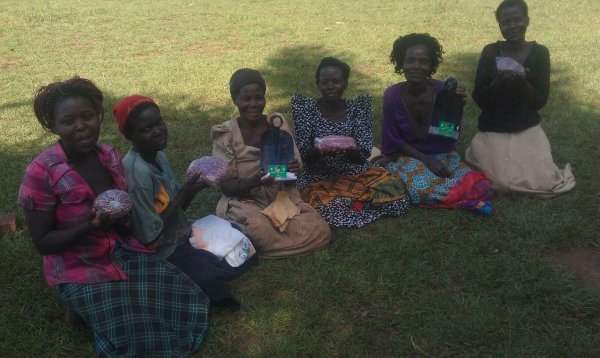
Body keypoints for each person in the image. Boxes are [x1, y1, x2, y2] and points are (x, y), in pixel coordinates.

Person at [18, 77, 208, 356]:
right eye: (68, 120)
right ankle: (85, 306)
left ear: (98, 117)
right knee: (140, 337)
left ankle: (94, 312)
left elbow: (124, 221)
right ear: (54, 126)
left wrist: (123, 219)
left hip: (122, 253)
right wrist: (92, 225)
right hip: (80, 269)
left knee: (189, 300)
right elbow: (43, 243)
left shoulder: (108, 157)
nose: (81, 125)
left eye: (87, 116)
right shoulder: (42, 172)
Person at [114, 94, 256, 309]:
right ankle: (202, 269)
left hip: (181, 232)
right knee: (211, 280)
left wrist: (192, 190)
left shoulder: (157, 156)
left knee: (244, 241)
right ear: (129, 136)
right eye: (146, 129)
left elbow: (176, 209)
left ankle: (206, 261)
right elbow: (150, 239)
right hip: (163, 249)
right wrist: (185, 191)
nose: (158, 130)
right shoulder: (138, 175)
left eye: (159, 122)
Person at [211, 68, 331, 258]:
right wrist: (256, 181)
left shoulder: (277, 123)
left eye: (259, 97)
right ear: (235, 99)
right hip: (246, 200)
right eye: (246, 99)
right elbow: (226, 186)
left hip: (280, 196)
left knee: (320, 228)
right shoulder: (226, 133)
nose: (253, 104)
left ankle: (257, 245)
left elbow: (291, 178)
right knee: (259, 228)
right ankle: (269, 240)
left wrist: (291, 171)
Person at [373, 33, 494, 213]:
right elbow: (393, 140)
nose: (416, 66)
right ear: (401, 63)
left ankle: (459, 196)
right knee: (420, 188)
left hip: (442, 154)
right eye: (410, 60)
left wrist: (455, 107)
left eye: (423, 61)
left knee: (478, 184)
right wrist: (427, 161)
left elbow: (447, 135)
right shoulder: (392, 95)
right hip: (410, 157)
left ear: (431, 66)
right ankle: (463, 201)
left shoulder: (443, 92)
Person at [465, 0, 575, 195]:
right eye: (506, 21)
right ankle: (479, 150)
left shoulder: (540, 53)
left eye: (518, 19)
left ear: (527, 20)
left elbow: (539, 102)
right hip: (493, 126)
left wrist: (522, 82)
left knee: (542, 179)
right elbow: (479, 98)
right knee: (500, 182)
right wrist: (498, 81)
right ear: (499, 24)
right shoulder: (490, 52)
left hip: (527, 125)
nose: (512, 26)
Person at [291, 57, 409, 228]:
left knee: (398, 198)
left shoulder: (357, 109)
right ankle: (356, 204)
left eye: (336, 81)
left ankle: (351, 203)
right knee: (323, 210)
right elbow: (303, 154)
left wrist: (349, 150)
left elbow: (363, 155)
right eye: (325, 82)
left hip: (355, 171)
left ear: (345, 83)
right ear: (318, 84)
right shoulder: (307, 110)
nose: (331, 86)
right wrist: (320, 150)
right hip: (319, 175)